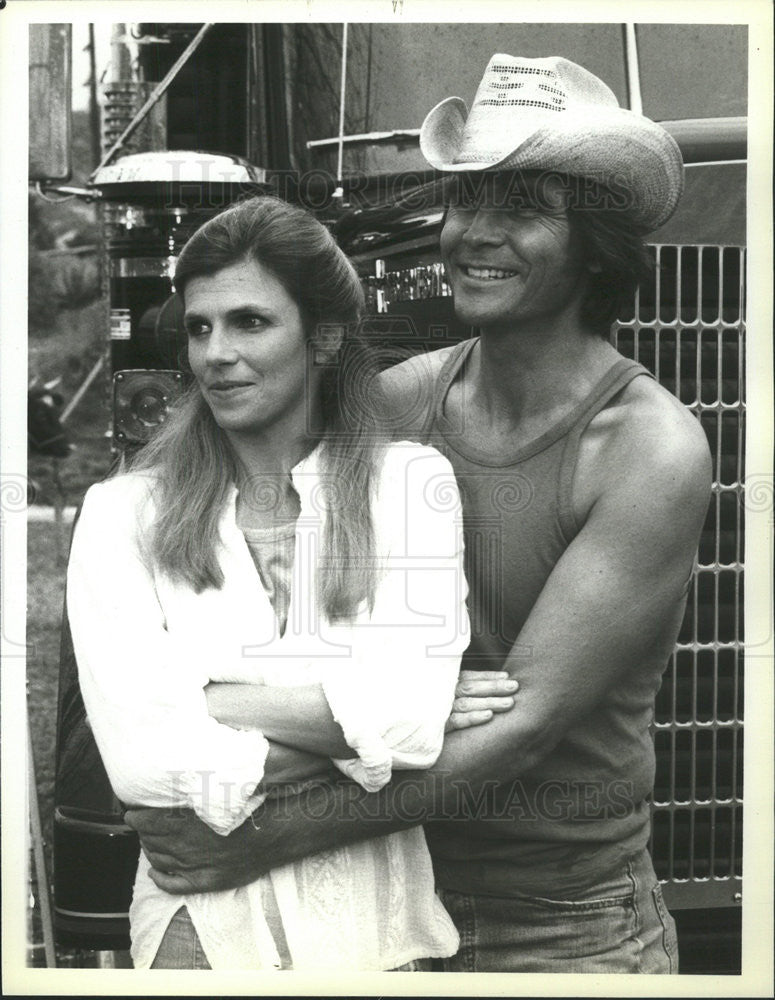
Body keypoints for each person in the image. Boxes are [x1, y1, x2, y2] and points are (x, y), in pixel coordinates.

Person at [124, 55, 712, 974]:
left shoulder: (645, 450)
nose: (473, 234)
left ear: (595, 243)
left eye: (519, 208)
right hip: (378, 892)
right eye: (465, 200)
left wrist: (266, 835)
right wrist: (205, 701)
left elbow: (520, 730)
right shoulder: (395, 405)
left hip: (558, 919)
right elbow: (248, 623)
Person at [66, 195, 519, 971]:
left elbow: (408, 722)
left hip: (373, 940)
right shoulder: (122, 513)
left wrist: (210, 700)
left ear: (324, 337)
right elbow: (141, 766)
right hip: (196, 937)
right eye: (200, 327)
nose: (215, 354)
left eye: (249, 322)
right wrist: (391, 722)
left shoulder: (407, 486)